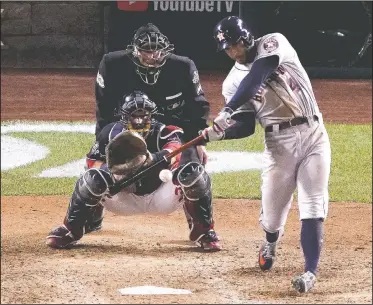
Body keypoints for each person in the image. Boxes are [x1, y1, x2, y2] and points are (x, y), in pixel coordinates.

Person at [202, 16, 331, 293]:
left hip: (313, 134)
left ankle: (310, 272)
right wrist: (219, 133)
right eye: (227, 47)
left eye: (235, 44)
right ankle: (270, 242)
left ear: (247, 38)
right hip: (278, 143)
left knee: (313, 206)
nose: (232, 51)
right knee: (273, 217)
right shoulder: (231, 83)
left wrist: (226, 111)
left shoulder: (273, 43)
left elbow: (258, 74)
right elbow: (246, 126)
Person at [94, 23, 221, 250]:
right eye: (146, 51)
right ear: (134, 51)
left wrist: (198, 141)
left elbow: (198, 104)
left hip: (174, 128)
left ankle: (202, 226)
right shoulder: (112, 64)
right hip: (128, 126)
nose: (153, 56)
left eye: (157, 50)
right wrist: (102, 140)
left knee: (192, 166)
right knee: (101, 167)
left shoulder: (183, 66)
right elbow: (104, 107)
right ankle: (91, 214)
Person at [46, 91, 221, 251]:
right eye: (134, 116)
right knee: (91, 178)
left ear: (151, 116)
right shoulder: (109, 133)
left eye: (143, 115)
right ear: (124, 116)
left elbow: (174, 151)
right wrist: (114, 172)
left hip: (161, 197)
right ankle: (73, 228)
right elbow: (92, 163)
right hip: (123, 197)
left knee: (194, 173)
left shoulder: (165, 131)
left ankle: (203, 231)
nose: (139, 121)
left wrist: (149, 160)